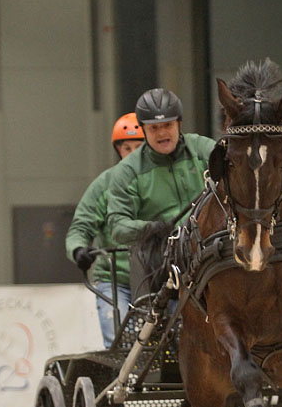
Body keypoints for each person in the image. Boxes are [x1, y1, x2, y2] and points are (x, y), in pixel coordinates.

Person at [106, 88, 215, 295]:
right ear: (144, 130)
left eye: (168, 125)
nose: (162, 133)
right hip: (163, 263)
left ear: (179, 124)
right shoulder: (127, 171)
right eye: (154, 128)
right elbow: (117, 226)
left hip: (211, 251)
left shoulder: (203, 149)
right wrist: (153, 229)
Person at [65, 112, 145, 347]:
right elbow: (80, 226)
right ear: (118, 151)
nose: (132, 154)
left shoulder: (160, 180)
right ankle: (122, 379)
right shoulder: (104, 184)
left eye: (139, 147)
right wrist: (78, 249)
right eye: (126, 148)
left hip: (157, 276)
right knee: (120, 342)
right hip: (115, 279)